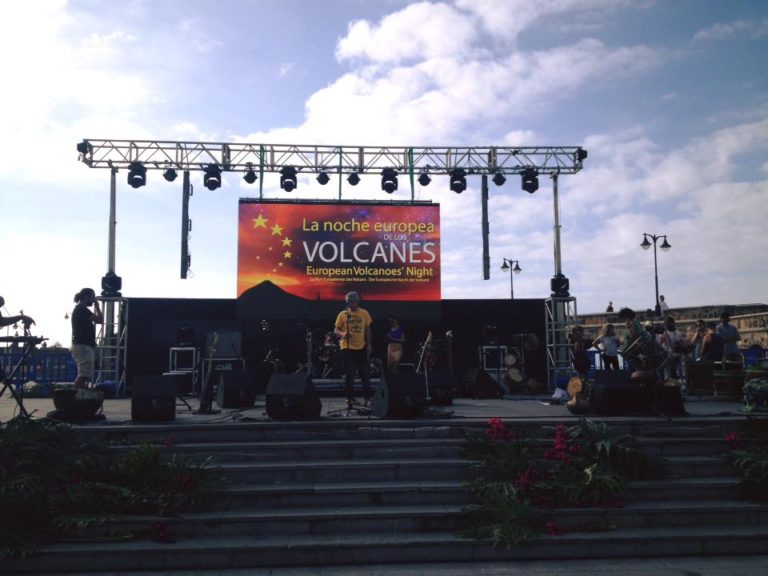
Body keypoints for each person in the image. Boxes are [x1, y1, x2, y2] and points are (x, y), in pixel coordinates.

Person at [334, 291, 373, 406]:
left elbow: (368, 330)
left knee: (364, 374)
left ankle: (367, 398)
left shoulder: (364, 313)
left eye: (354, 301)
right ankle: (350, 398)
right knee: (350, 374)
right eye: (350, 302)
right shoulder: (343, 314)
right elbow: (336, 330)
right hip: (347, 347)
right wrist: (342, 334)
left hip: (360, 347)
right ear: (347, 302)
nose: (352, 303)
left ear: (358, 301)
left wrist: (369, 344)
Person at [70, 288, 103, 390]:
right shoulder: (82, 310)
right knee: (83, 376)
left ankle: (80, 395)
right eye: (92, 297)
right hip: (83, 346)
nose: (93, 300)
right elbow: (100, 320)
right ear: (86, 297)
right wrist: (97, 307)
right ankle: (75, 397)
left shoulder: (80, 309)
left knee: (85, 375)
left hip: (82, 345)